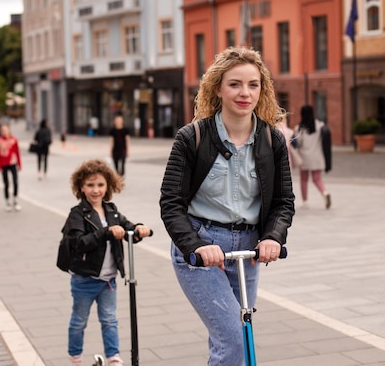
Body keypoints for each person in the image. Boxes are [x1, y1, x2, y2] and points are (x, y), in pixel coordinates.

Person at [159, 46, 295, 366]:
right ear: (218, 88)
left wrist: (273, 237)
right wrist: (195, 245)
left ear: (262, 89)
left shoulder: (272, 140)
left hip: (248, 250)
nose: (244, 93)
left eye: (253, 84)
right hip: (201, 249)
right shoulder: (192, 138)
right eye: (234, 84)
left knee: (238, 341)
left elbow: (282, 202)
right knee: (233, 339)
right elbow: (171, 203)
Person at [63, 159, 151, 366]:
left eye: (100, 185)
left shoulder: (112, 211)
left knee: (110, 320)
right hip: (85, 279)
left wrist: (138, 230)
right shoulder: (77, 214)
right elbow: (78, 243)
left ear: (108, 186)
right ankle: (75, 358)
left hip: (108, 281)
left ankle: (113, 358)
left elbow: (128, 228)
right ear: (81, 187)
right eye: (90, 185)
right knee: (78, 322)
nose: (96, 190)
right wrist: (106, 232)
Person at [293, 105, 331, 209]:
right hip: (317, 156)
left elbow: (298, 143)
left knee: (304, 179)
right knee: (317, 178)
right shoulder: (319, 125)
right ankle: (325, 192)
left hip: (304, 157)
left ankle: (305, 202)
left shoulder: (299, 128)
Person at [0, 124, 22, 211]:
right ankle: (7, 201)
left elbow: (17, 151)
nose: (5, 132)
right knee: (6, 183)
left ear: (9, 130)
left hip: (12, 162)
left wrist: (19, 164)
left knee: (15, 181)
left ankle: (15, 199)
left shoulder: (14, 139)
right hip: (4, 164)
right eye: (3, 130)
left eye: (6, 130)